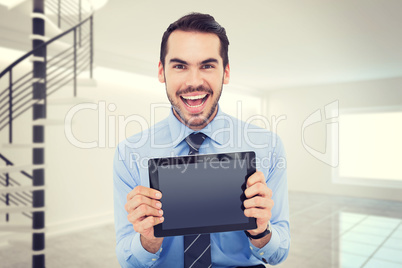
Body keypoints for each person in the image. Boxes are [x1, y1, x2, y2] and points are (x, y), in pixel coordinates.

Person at [113, 13, 290, 267]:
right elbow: (128, 260)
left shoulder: (269, 146)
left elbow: (278, 254)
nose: (194, 82)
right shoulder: (128, 153)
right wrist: (148, 239)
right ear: (162, 72)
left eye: (207, 65)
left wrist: (261, 230)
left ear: (225, 72)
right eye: (180, 66)